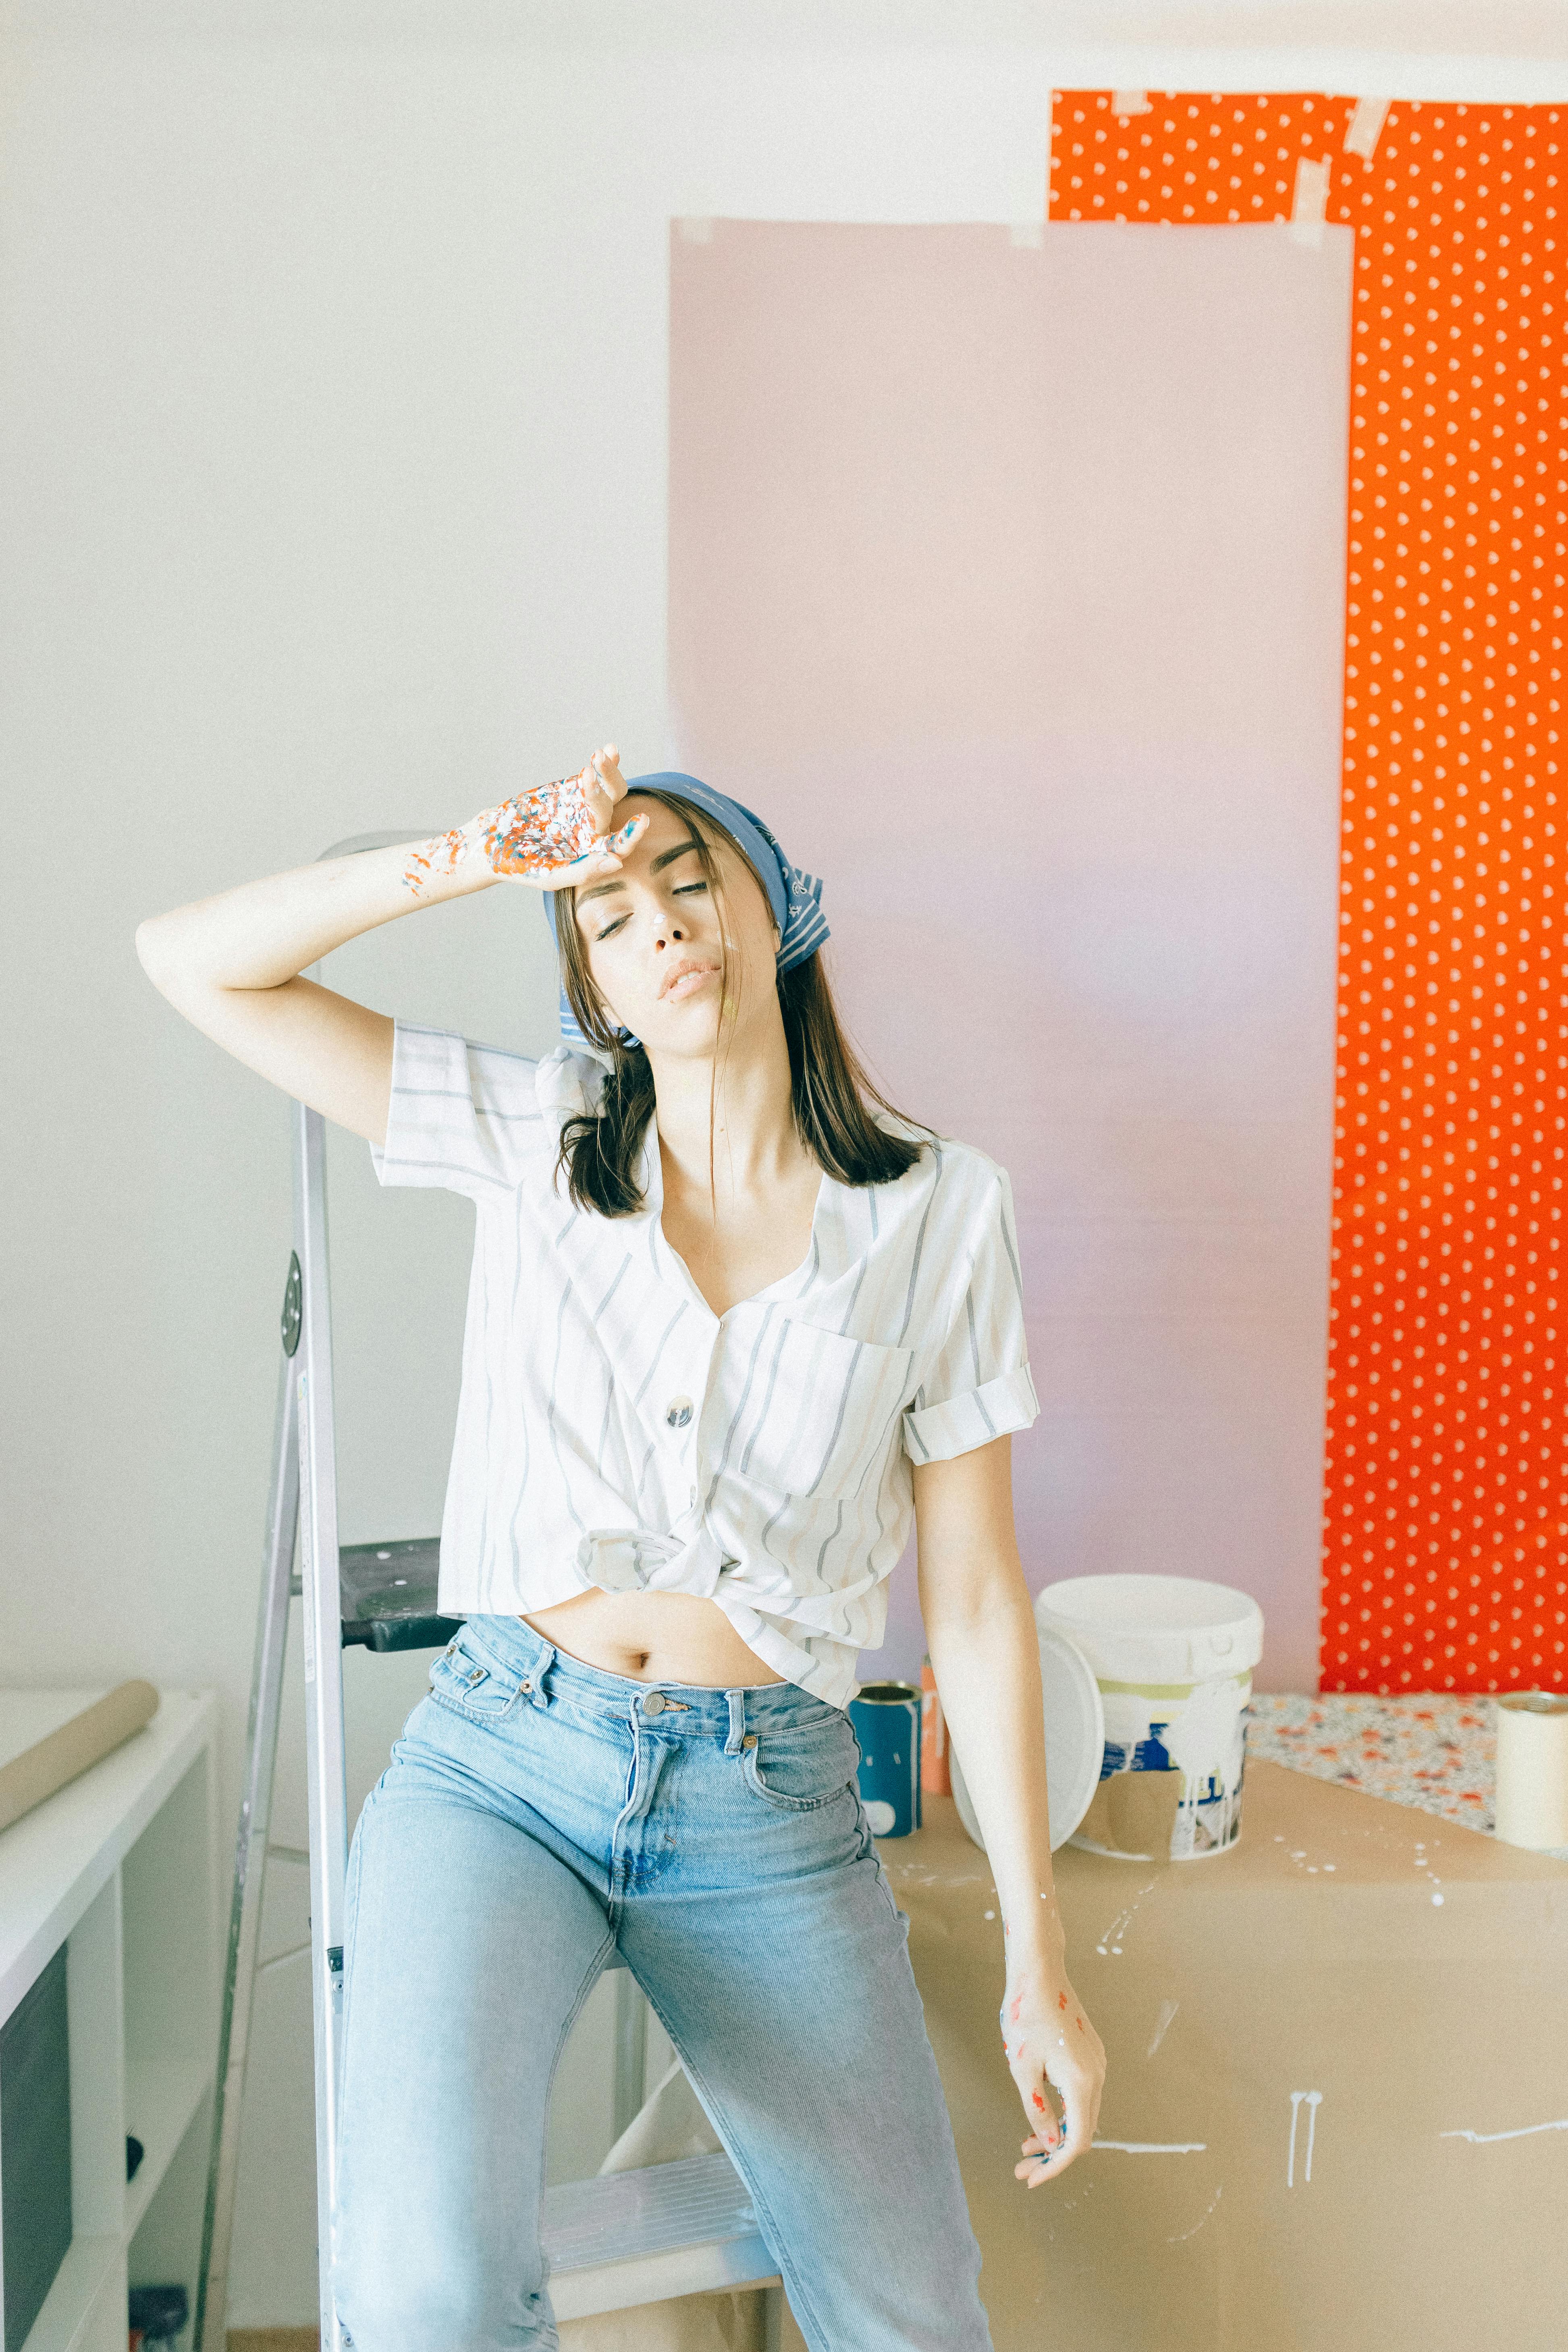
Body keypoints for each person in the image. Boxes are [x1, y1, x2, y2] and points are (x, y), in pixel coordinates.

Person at [136, 747, 1106, 2352]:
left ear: (773, 905)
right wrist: (469, 855)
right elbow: (193, 962)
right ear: (593, 984)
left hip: (768, 1802)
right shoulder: (534, 1131)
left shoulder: (940, 1210)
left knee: (917, 2317)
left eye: (688, 872)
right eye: (607, 905)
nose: (658, 917)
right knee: (422, 2291)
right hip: (505, 1764)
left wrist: (1038, 1964)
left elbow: (982, 1604)